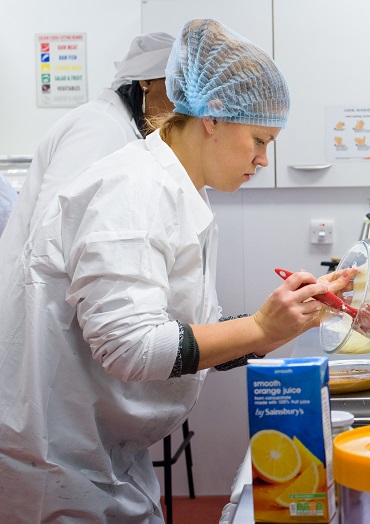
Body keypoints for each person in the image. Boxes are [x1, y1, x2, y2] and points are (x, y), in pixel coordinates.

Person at [0, 19, 349, 521]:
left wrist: (271, 330)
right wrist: (256, 328)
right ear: (212, 117)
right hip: (57, 458)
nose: (263, 160)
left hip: (105, 449)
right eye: (258, 140)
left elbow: (178, 330)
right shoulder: (133, 187)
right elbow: (131, 347)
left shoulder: (179, 190)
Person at [0, 31, 175, 271]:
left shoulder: (125, 129)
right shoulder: (99, 127)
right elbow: (51, 239)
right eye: (176, 87)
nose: (182, 103)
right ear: (146, 81)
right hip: (43, 303)